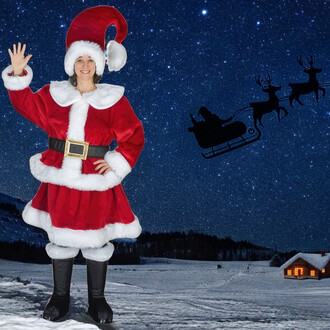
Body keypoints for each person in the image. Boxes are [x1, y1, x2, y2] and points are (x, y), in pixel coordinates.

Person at [1, 6, 144, 324]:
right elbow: (26, 104)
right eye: (79, 59)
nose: (84, 65)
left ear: (100, 64)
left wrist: (117, 163)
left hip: (95, 179)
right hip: (61, 176)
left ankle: (97, 300)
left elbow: (134, 136)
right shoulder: (55, 95)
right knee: (61, 238)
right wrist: (18, 76)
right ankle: (60, 297)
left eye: (91, 59)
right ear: (71, 62)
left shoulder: (113, 100)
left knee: (96, 241)